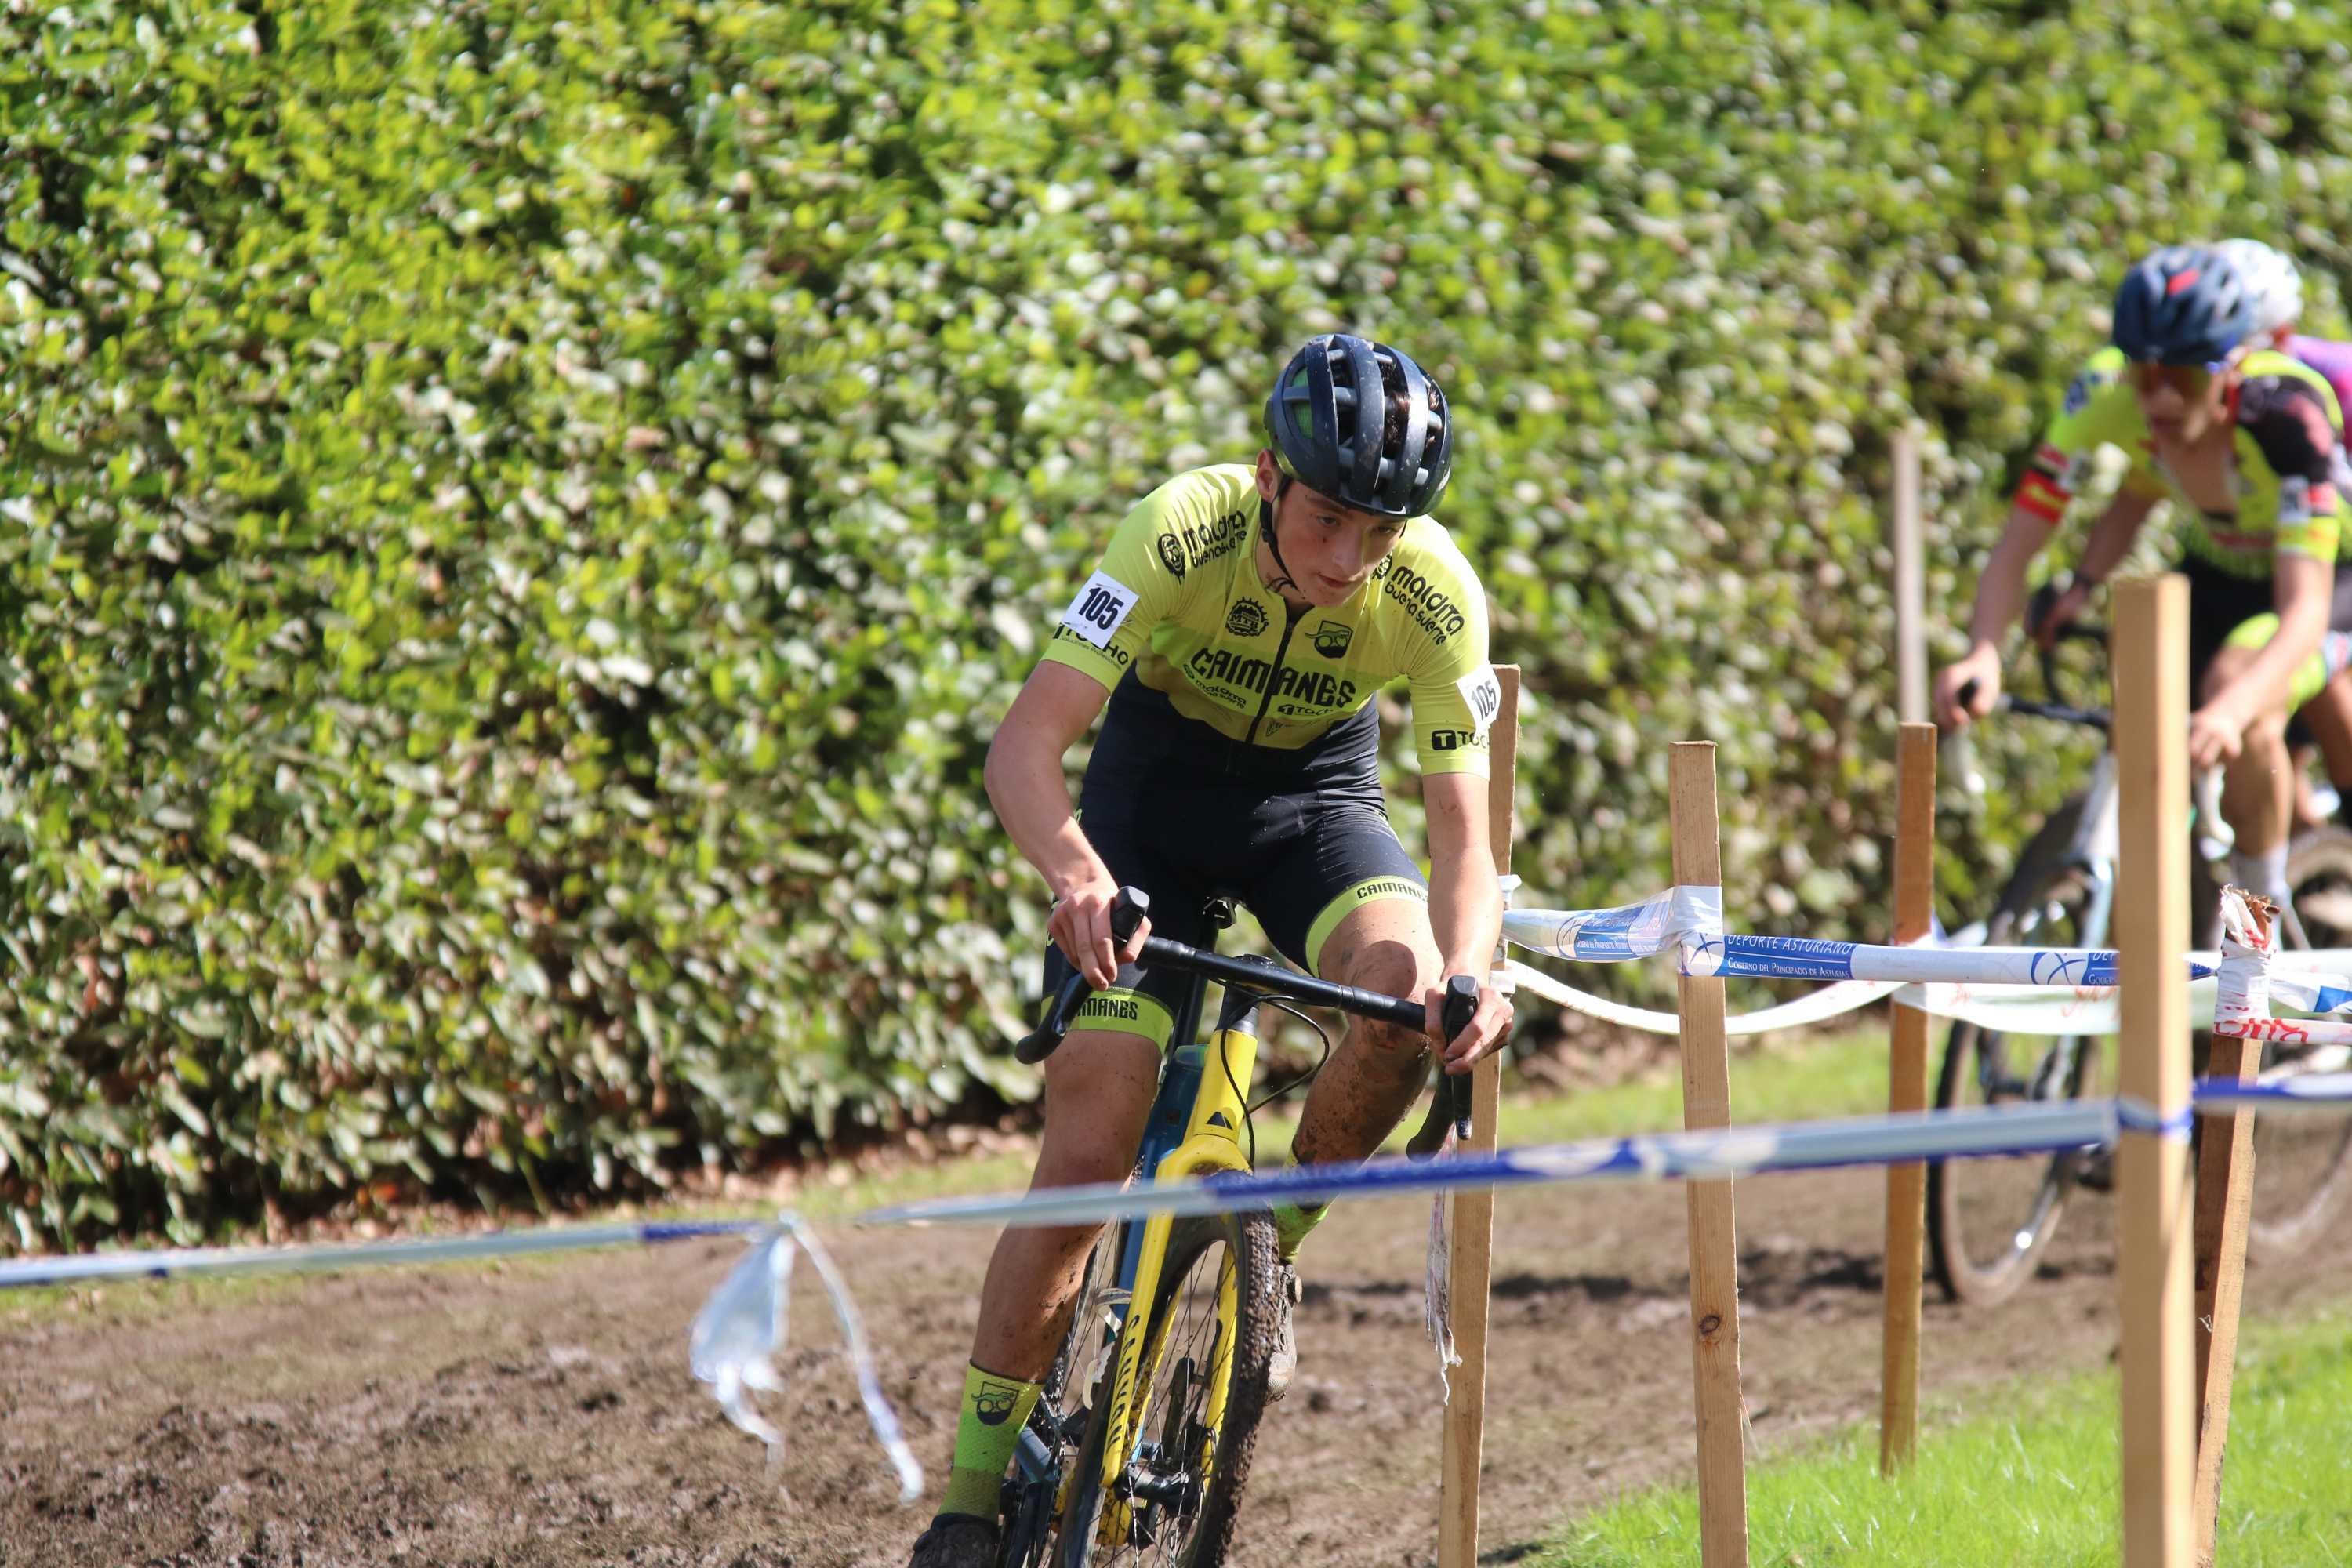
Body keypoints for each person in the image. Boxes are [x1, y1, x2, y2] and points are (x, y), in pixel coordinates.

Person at [906, 334, 1515, 1566]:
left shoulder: (1438, 593)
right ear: (1268, 478)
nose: (1349, 561)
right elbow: (1025, 748)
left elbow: (1465, 841)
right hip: (1152, 809)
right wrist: (1078, 879)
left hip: (1318, 807)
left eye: (1379, 532)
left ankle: (1266, 1261)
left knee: (1401, 1007)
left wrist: (1473, 973)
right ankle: (969, 1502)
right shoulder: (1177, 530)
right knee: (1086, 1149)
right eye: (1329, 519)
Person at [1934, 244, 2352, 912]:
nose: (2156, 395)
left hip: (2329, 579)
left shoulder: (2287, 412)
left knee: (2235, 695)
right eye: (2142, 371)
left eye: (2181, 378)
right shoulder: (2103, 392)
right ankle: (2187, 890)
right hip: (2218, 566)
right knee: (2139, 684)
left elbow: (2301, 608)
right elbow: (2021, 540)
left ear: (2231, 367)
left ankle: (2262, 922)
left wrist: (2231, 710)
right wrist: (1984, 648)